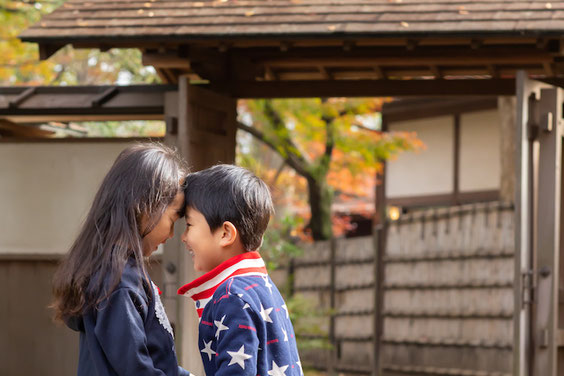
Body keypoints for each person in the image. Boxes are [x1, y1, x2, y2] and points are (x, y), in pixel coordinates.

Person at [51, 143, 192, 376]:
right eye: (173, 219)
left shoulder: (118, 274)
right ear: (145, 207)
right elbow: (136, 369)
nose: (171, 235)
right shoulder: (119, 284)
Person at [178, 164, 302, 376]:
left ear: (226, 233)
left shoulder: (232, 296)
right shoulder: (260, 284)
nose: (183, 237)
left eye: (189, 225)